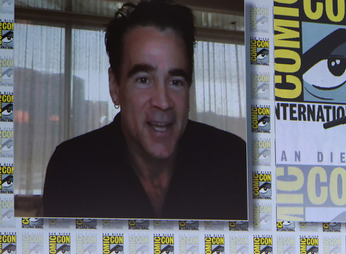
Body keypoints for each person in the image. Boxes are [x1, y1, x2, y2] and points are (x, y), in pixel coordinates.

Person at [42, 0, 247, 220]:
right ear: (115, 87)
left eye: (176, 81)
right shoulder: (71, 168)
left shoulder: (234, 161)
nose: (163, 102)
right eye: (143, 80)